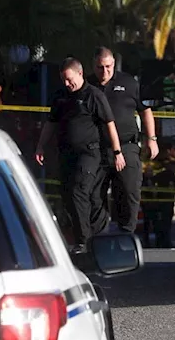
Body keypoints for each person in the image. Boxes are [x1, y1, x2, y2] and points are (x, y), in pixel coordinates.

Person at [35, 58, 125, 253]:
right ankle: (91, 236)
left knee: (78, 191)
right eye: (64, 80)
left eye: (69, 79)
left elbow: (110, 124)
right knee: (67, 195)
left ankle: (83, 241)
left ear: (80, 74)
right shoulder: (60, 96)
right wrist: (41, 146)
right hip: (67, 154)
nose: (67, 84)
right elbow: (51, 123)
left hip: (89, 153)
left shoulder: (93, 95)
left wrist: (117, 152)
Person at [90, 47, 158, 235]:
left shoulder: (128, 83)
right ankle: (98, 239)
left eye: (108, 67)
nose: (105, 72)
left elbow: (145, 111)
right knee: (95, 197)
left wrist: (151, 139)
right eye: (100, 67)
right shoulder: (87, 85)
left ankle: (126, 235)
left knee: (129, 194)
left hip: (127, 146)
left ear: (114, 64)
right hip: (97, 149)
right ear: (93, 66)